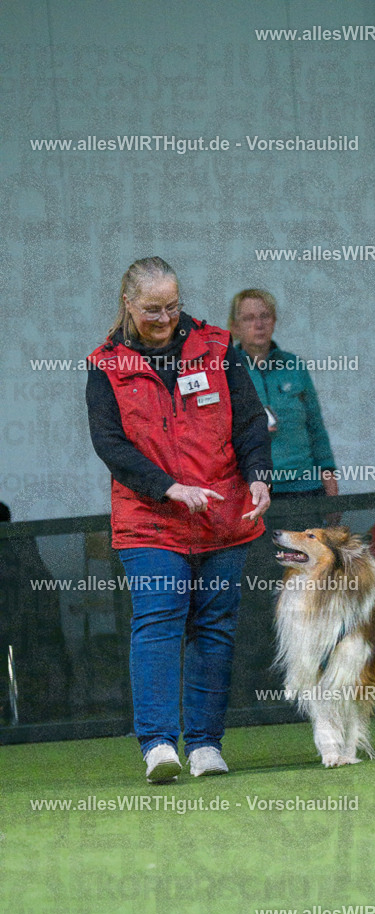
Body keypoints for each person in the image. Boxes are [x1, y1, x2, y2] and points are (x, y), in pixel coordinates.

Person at [86, 258, 271, 783]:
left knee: (215, 629)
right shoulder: (105, 365)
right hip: (151, 518)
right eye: (152, 309)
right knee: (159, 621)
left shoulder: (216, 348)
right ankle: (159, 745)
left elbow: (250, 420)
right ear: (128, 304)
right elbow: (111, 445)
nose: (165, 317)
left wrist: (259, 475)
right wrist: (168, 487)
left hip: (221, 514)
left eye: (172, 305)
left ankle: (207, 746)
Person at [228, 289, 338, 499]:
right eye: (249, 318)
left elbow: (316, 427)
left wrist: (329, 478)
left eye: (264, 316)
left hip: (304, 487)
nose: (258, 324)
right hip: (250, 489)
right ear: (234, 326)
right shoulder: (225, 370)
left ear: (274, 321)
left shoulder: (294, 366)